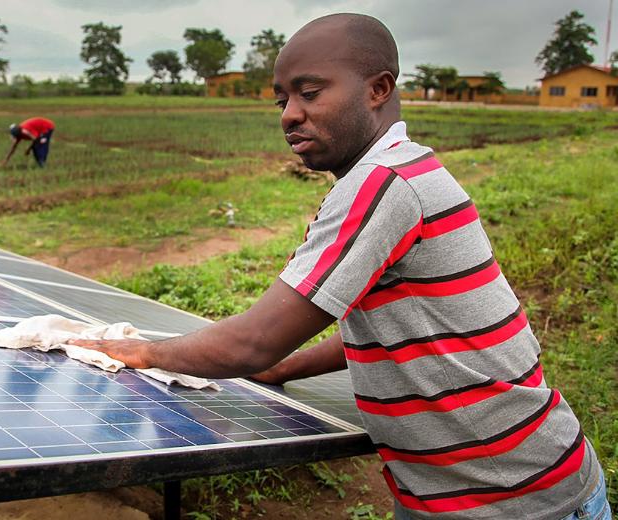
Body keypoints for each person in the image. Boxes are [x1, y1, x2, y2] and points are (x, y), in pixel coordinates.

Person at [67, 14, 610, 520]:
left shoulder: (384, 184)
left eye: (309, 93)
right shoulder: (400, 171)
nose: (289, 114)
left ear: (378, 89)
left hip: (515, 499)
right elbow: (394, 326)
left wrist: (137, 351)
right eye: (281, 100)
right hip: (469, 492)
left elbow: (252, 343)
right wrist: (286, 370)